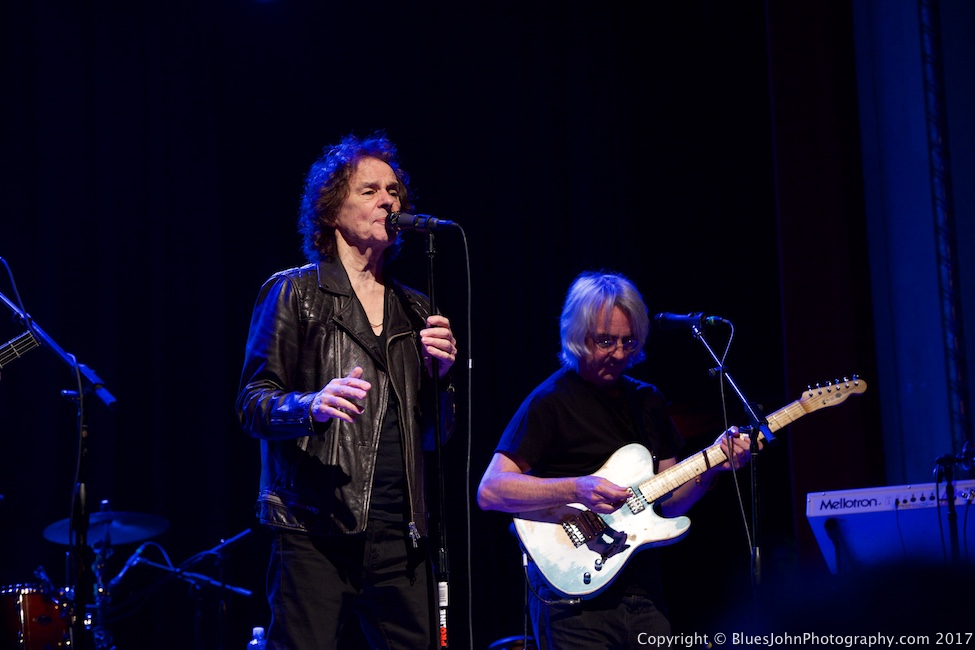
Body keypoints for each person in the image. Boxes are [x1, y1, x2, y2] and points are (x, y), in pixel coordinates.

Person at [236, 132, 458, 650]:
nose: (388, 201)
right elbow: (252, 403)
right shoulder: (294, 292)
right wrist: (310, 405)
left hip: (400, 533)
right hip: (314, 530)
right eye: (370, 191)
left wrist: (442, 379)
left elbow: (436, 437)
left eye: (394, 191)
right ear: (332, 210)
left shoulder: (417, 309)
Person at [477, 271, 754, 649]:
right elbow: (491, 490)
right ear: (577, 336)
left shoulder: (648, 401)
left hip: (643, 594)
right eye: (606, 341)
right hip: (572, 602)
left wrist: (710, 469)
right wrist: (578, 488)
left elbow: (670, 503)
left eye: (629, 341)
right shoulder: (549, 401)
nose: (620, 354)